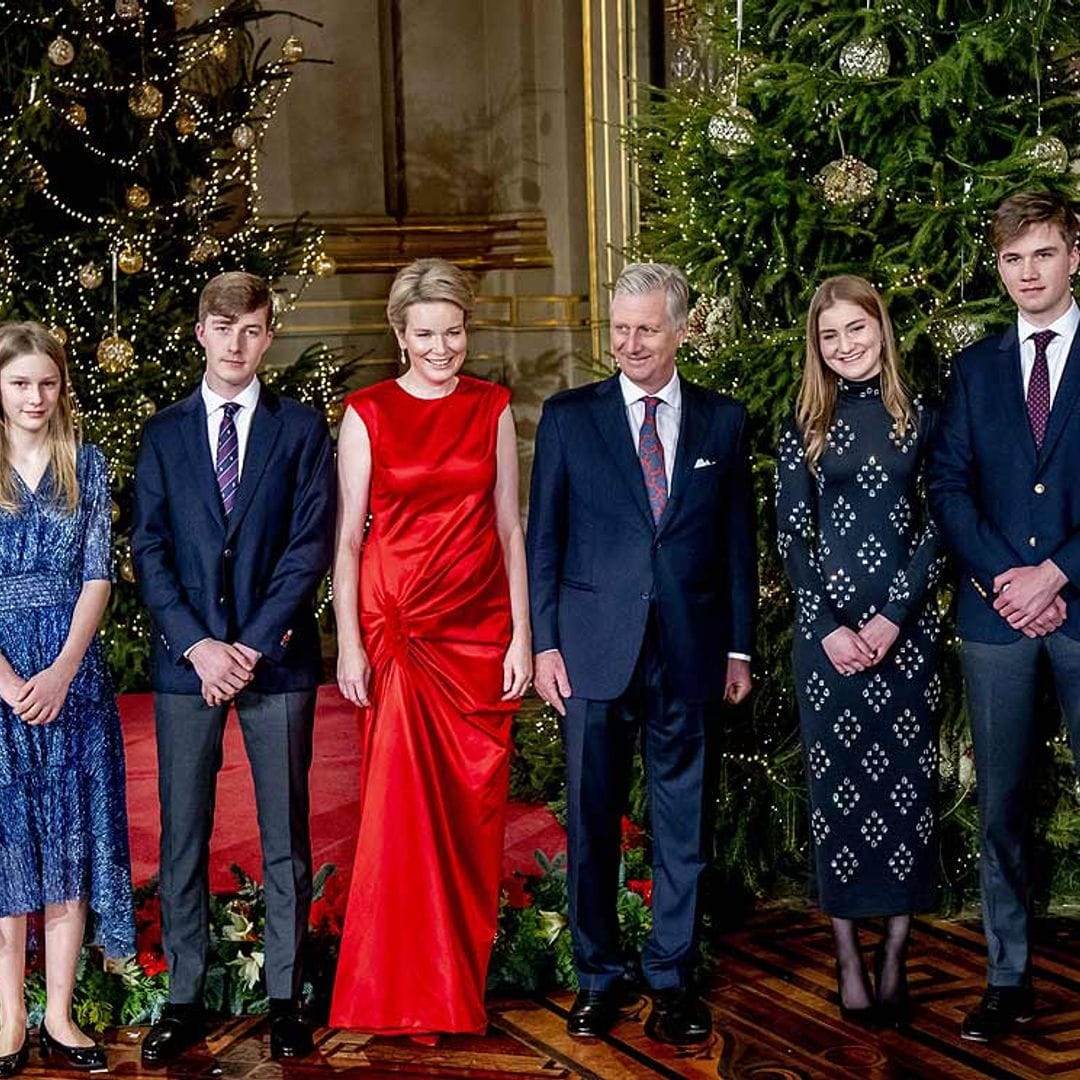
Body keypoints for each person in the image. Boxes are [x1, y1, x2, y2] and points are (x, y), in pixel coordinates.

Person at [526, 262, 755, 1045]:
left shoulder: (723, 422)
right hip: (590, 653)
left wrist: (737, 648)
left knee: (683, 825)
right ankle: (597, 976)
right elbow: (543, 540)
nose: (628, 343)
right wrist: (546, 642)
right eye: (618, 329)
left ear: (681, 330)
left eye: (646, 329)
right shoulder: (568, 417)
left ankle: (673, 979)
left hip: (690, 653)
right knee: (592, 821)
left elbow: (736, 544)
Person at [132, 272, 334, 1064]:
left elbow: (308, 545)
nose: (237, 345)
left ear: (268, 336)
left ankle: (286, 997)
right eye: (224, 329)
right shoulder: (165, 432)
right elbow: (148, 551)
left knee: (286, 832)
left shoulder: (300, 429)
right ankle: (184, 996)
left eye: (252, 331)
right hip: (189, 667)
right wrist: (199, 645)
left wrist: (249, 644)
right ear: (200, 334)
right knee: (184, 832)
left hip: (273, 661)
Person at [329, 258, 530, 1040]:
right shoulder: (367, 412)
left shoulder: (493, 407)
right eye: (426, 335)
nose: (443, 349)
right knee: (401, 816)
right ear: (399, 334)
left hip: (478, 631)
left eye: (453, 333)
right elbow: (348, 540)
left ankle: (456, 984)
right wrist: (348, 646)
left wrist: (524, 632)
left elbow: (511, 526)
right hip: (400, 630)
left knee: (473, 813)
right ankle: (401, 995)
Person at [929, 190, 1080, 1043]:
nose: (1028, 272)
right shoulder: (978, 368)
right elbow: (948, 486)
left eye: (1044, 254)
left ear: (1073, 257)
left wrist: (1054, 572)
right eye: (1014, 259)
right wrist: (1005, 579)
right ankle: (1008, 976)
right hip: (997, 621)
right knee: (1003, 807)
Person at [776, 276, 942, 1028]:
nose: (846, 346)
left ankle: (897, 951)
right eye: (830, 336)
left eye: (857, 329)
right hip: (828, 645)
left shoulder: (923, 419)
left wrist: (893, 621)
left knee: (906, 797)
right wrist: (831, 628)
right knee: (837, 796)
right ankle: (846, 953)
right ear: (816, 347)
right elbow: (791, 535)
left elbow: (939, 529)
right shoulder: (806, 422)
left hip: (904, 645)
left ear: (882, 329)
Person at [0, 322, 133, 1077]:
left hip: (71, 680)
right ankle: (9, 1013)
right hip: (1, 680)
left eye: (46, 383)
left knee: (70, 837)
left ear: (62, 387)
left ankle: (58, 1011)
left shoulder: (87, 463)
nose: (34, 397)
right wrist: (12, 683)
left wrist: (60, 671)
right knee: (9, 842)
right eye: (20, 383)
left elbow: (98, 574)